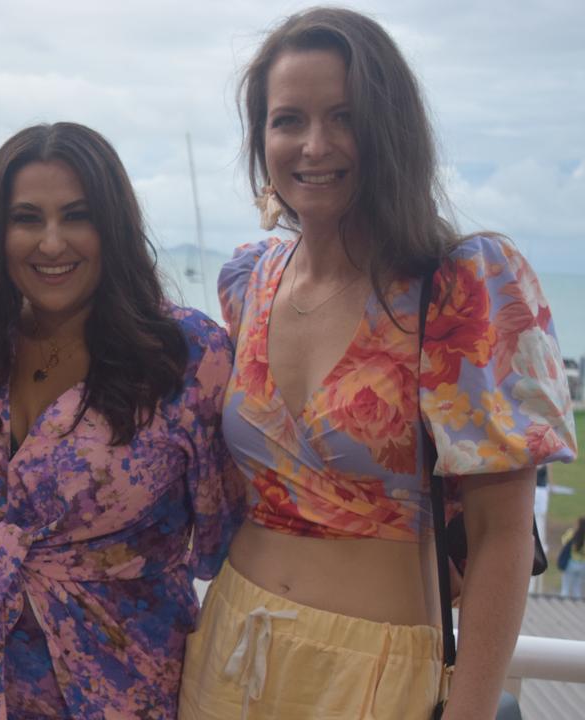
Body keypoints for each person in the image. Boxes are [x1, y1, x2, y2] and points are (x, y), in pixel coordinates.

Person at [178, 8, 578, 719]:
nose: (315, 144)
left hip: (373, 675)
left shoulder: (459, 284)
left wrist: (471, 710)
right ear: (260, 137)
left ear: (391, 129)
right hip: (228, 646)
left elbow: (501, 535)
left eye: (345, 116)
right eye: (288, 119)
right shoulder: (250, 281)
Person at [0, 122, 243, 719]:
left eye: (78, 215)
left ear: (113, 226)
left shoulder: (189, 356)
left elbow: (226, 536)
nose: (52, 242)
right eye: (27, 218)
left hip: (117, 683)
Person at [562, 517, 585, 598]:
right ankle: (576, 606)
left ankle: (563, 604)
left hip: (572, 562)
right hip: (583, 564)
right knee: (577, 588)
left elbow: (564, 541)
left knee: (566, 586)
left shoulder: (572, 533)